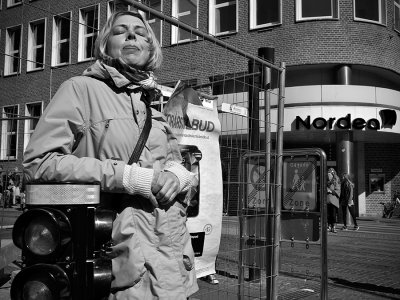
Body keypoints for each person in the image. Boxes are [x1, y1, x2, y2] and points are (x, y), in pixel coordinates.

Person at [23, 10, 198, 299]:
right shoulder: (79, 89)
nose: (132, 35)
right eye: (121, 31)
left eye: (141, 33)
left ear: (151, 49)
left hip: (174, 261)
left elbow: (176, 163)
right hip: (120, 262)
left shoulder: (152, 107)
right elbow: (39, 163)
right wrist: (130, 177)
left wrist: (177, 177)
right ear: (106, 45)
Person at [327, 168, 340, 233]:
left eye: (330, 174)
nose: (328, 176)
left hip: (333, 200)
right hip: (327, 200)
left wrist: (331, 191)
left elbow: (338, 190)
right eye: (328, 174)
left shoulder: (336, 180)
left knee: (333, 214)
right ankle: (329, 226)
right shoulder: (326, 181)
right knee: (328, 215)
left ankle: (333, 226)